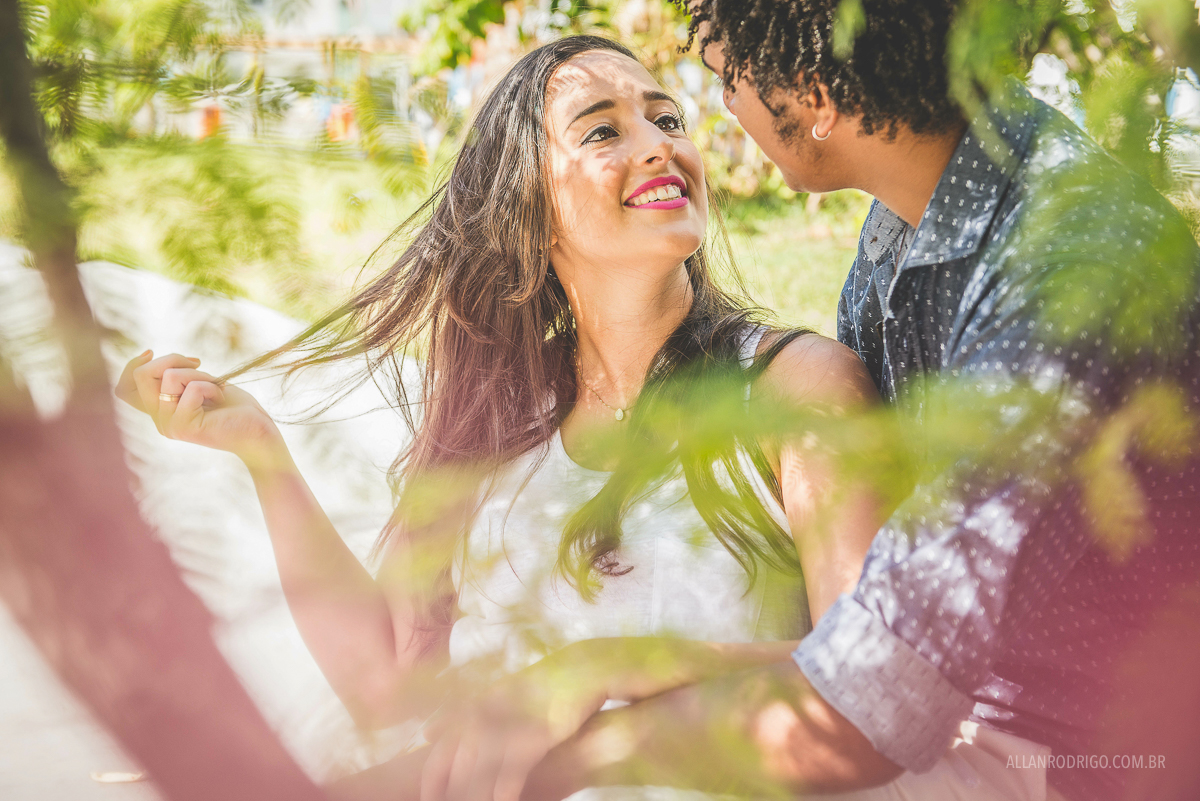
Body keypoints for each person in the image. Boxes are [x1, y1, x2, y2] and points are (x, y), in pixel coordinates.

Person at [115, 34, 895, 801]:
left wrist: (610, 666)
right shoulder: (494, 422)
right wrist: (264, 456)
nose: (660, 146)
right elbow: (389, 684)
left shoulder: (794, 388)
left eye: (667, 119)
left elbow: (879, 687)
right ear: (533, 204)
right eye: (602, 130)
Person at [457, 4, 1200, 801]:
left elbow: (879, 698)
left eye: (720, 79)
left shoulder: (1069, 267)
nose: (720, 115)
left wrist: (593, 721)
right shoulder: (900, 238)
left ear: (813, 97)